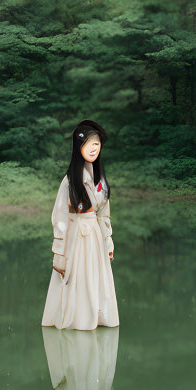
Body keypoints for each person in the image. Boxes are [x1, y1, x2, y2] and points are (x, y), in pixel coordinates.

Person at [41, 119, 119, 330]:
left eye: (97, 143)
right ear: (78, 147)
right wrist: (59, 251)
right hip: (76, 235)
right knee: (77, 277)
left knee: (96, 276)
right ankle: (78, 319)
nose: (94, 148)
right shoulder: (70, 180)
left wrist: (107, 240)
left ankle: (97, 316)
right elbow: (59, 217)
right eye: (88, 144)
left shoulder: (100, 178)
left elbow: (104, 213)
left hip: (93, 233)